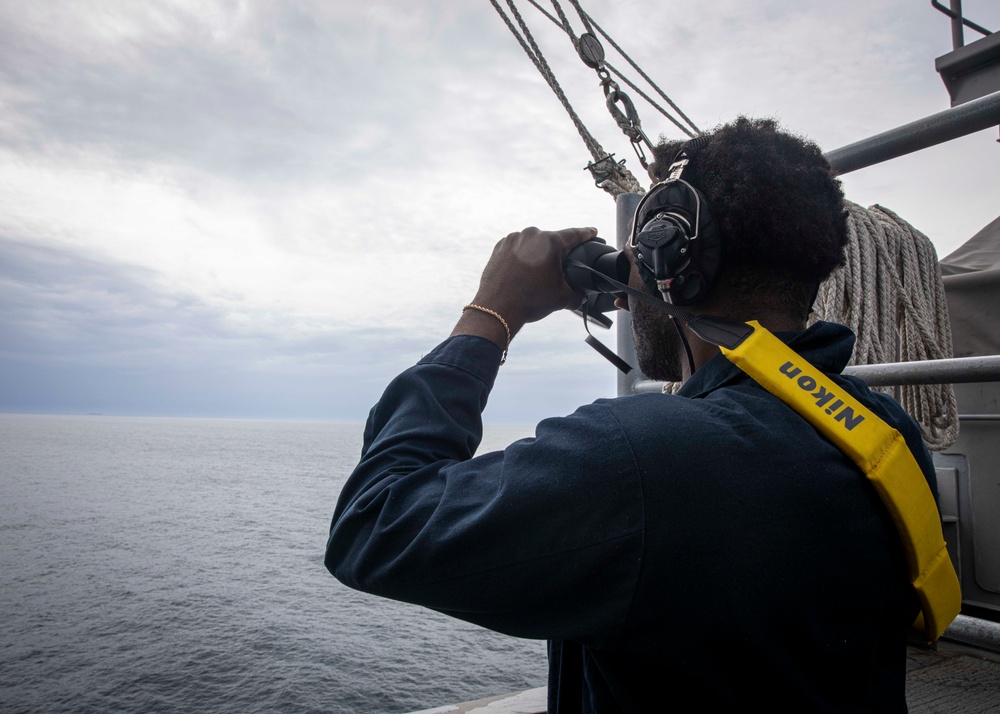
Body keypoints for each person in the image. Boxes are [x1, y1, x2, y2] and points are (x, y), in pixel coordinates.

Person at [324, 117, 937, 712]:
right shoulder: (882, 432)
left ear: (675, 265)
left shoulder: (640, 460)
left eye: (637, 259)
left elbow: (374, 526)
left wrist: (490, 313)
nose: (624, 291)